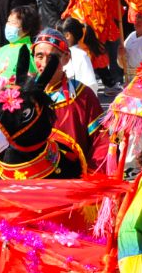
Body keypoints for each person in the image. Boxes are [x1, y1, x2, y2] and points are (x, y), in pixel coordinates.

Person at [32, 28, 109, 173]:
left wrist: (93, 177)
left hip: (73, 181)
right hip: (35, 182)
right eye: (39, 56)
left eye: (52, 57)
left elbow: (101, 141)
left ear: (66, 58)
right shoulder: (24, 96)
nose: (45, 63)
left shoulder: (83, 96)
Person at [0, 5, 40, 90]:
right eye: (8, 21)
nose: (8, 26)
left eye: (13, 23)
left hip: (17, 101)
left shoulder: (33, 51)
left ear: (27, 28)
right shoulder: (2, 50)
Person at [58, 16, 100, 93]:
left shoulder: (81, 56)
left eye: (58, 35)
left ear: (67, 35)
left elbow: (91, 85)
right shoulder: (61, 54)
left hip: (77, 102)